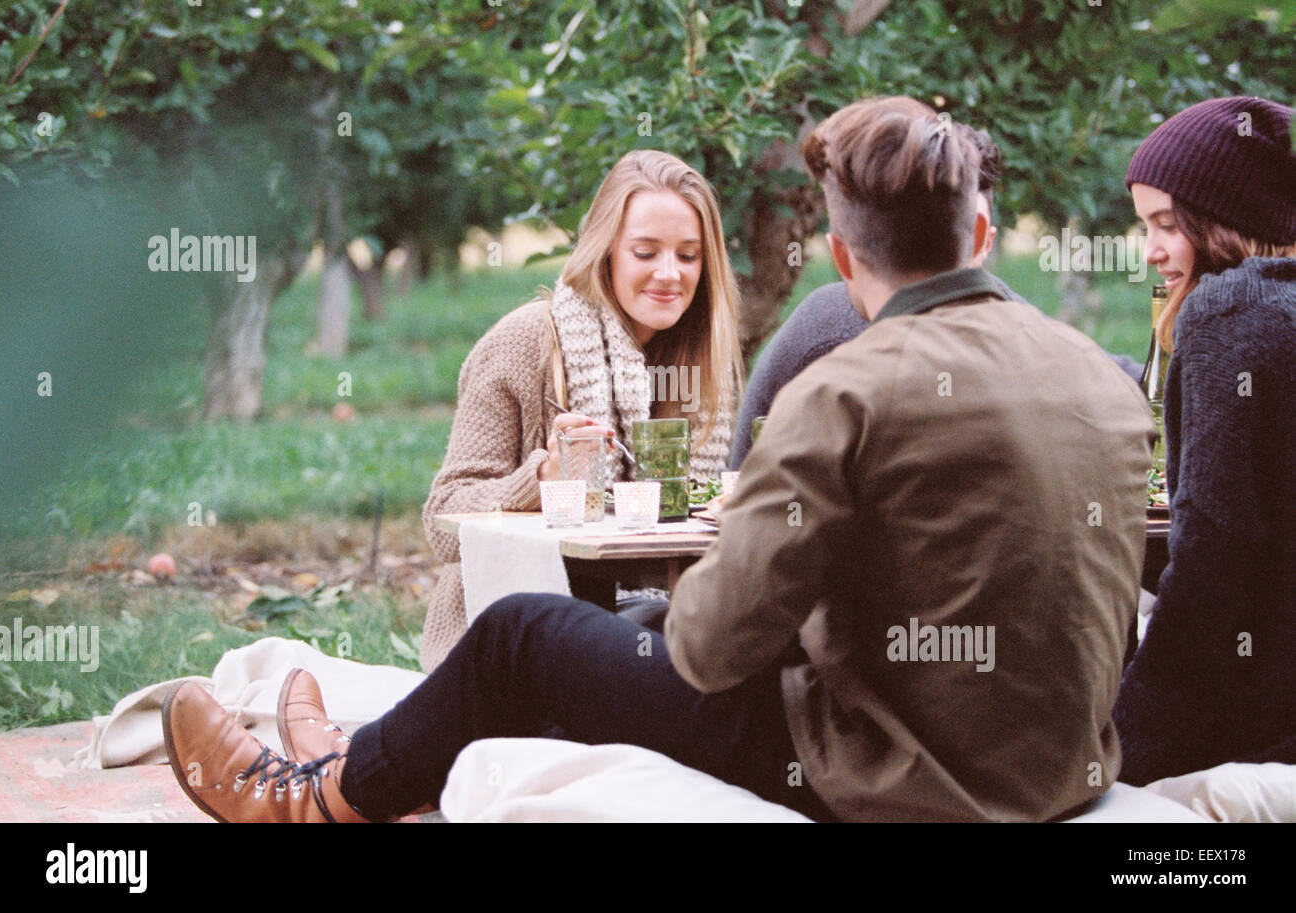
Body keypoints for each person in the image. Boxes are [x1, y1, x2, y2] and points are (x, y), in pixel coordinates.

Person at [159, 96, 1155, 823]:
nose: (668, 275)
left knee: (521, 639)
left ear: (844, 260)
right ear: (981, 231)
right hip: (1063, 766)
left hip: (889, 768)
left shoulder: (845, 390)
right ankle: (393, 762)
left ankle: (305, 806)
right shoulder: (1104, 376)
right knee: (616, 631)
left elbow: (713, 651)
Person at [417, 149, 742, 671]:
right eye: (645, 252)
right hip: (518, 628)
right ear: (605, 251)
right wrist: (544, 478)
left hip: (654, 616)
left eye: (688, 255)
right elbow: (442, 520)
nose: (669, 274)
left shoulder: (705, 366)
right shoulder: (525, 343)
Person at [729, 126, 1142, 467]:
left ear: (983, 236)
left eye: (959, 228)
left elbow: (1143, 386)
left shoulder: (1036, 341)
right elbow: (745, 478)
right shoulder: (827, 329)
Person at [1113, 95, 1296, 785]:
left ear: (1229, 220)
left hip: (1259, 733)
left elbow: (1214, 572)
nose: (1152, 251)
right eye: (1143, 226)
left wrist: (1114, 750)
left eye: (1167, 223)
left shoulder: (1232, 310)